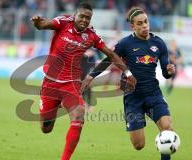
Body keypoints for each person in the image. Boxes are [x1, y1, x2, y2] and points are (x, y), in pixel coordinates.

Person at [30, 3, 136, 160]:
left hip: (71, 83)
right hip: (50, 83)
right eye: (82, 16)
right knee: (46, 128)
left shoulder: (91, 35)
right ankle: (56, 106)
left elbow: (112, 54)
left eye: (88, 18)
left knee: (79, 116)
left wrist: (128, 72)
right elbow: (43, 25)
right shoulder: (63, 22)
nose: (85, 20)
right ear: (75, 15)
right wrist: (38, 22)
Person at [82, 7, 176, 160]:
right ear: (132, 26)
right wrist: (91, 76)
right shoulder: (125, 44)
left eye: (145, 22)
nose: (144, 26)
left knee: (167, 127)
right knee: (138, 145)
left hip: (153, 94)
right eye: (139, 23)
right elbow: (109, 59)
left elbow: (166, 72)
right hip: (133, 98)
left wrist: (170, 71)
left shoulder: (159, 43)